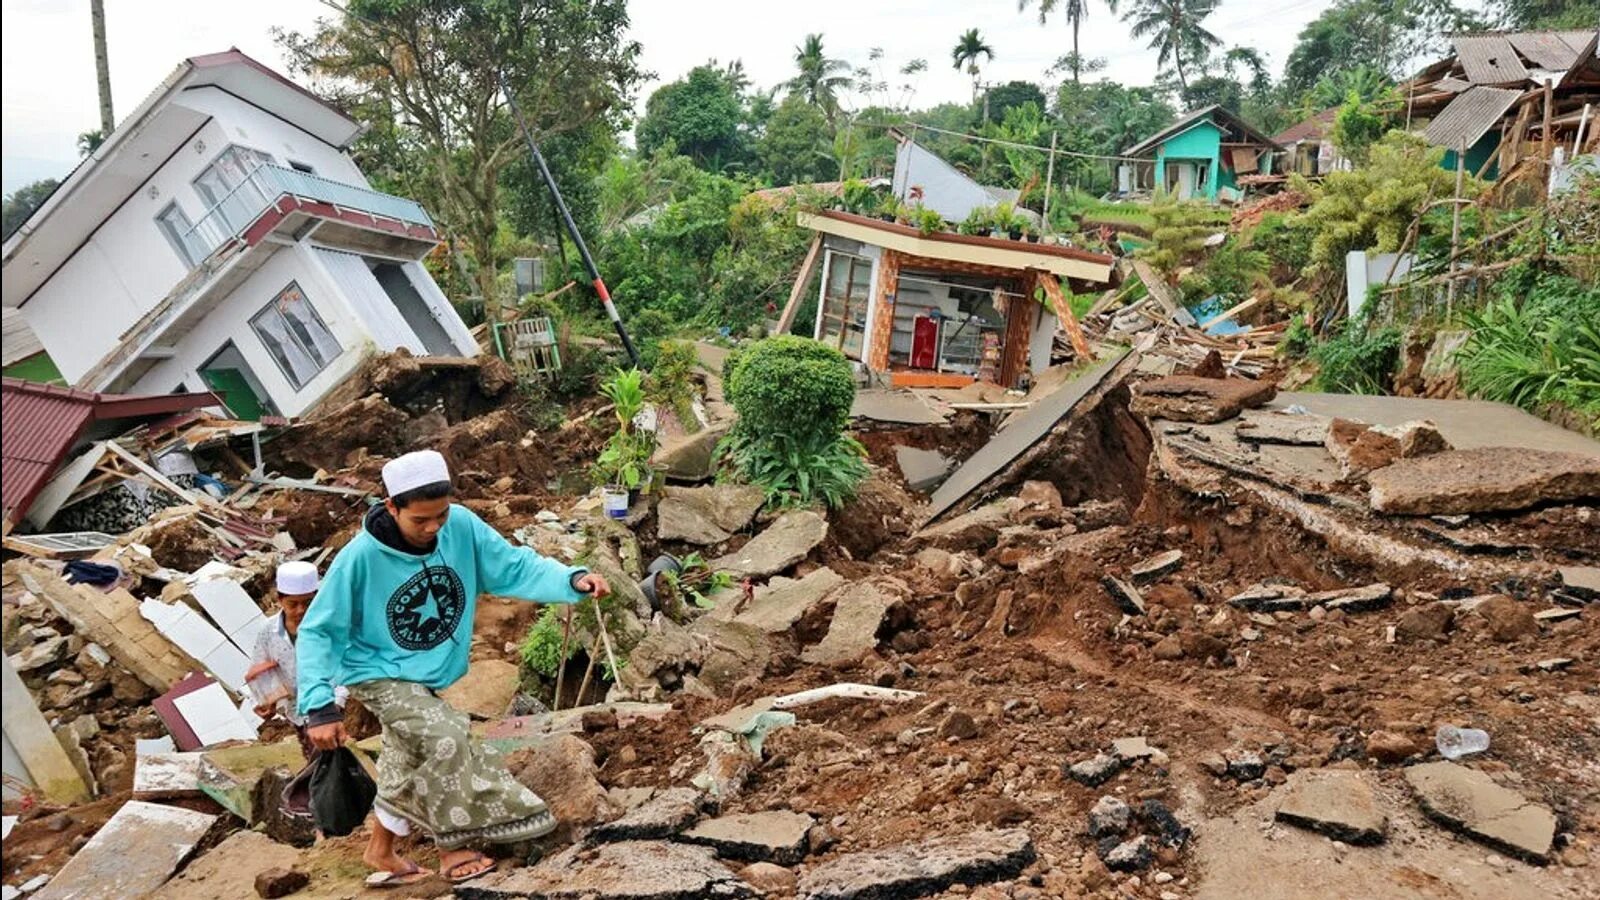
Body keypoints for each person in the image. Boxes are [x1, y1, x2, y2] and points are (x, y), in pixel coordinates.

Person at [295, 450, 610, 886]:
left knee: (408, 754)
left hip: (426, 671)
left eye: (440, 516)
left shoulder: (460, 526)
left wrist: (569, 580)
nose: (433, 528)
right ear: (392, 507)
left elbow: (512, 564)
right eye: (420, 520)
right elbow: (319, 630)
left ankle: (380, 850)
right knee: (446, 736)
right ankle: (453, 844)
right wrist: (319, 706)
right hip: (376, 670)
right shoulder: (359, 559)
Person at [246, 561, 346, 759]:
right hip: (296, 711)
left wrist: (338, 701)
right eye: (293, 604)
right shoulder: (268, 632)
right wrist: (265, 701)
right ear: (280, 600)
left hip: (333, 708)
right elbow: (258, 669)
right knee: (312, 758)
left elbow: (346, 665)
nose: (301, 610)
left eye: (307, 603)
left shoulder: (331, 627)